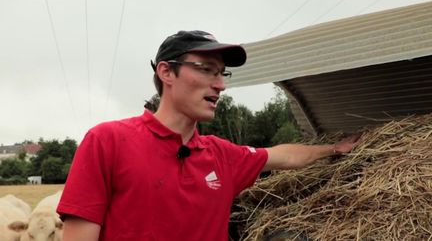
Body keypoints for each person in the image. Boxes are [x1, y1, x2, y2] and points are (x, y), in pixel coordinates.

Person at [57, 30, 360, 241]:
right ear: (166, 72)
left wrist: (334, 149)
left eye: (221, 73)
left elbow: (282, 155)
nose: (220, 85)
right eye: (206, 70)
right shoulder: (107, 142)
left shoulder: (221, 154)